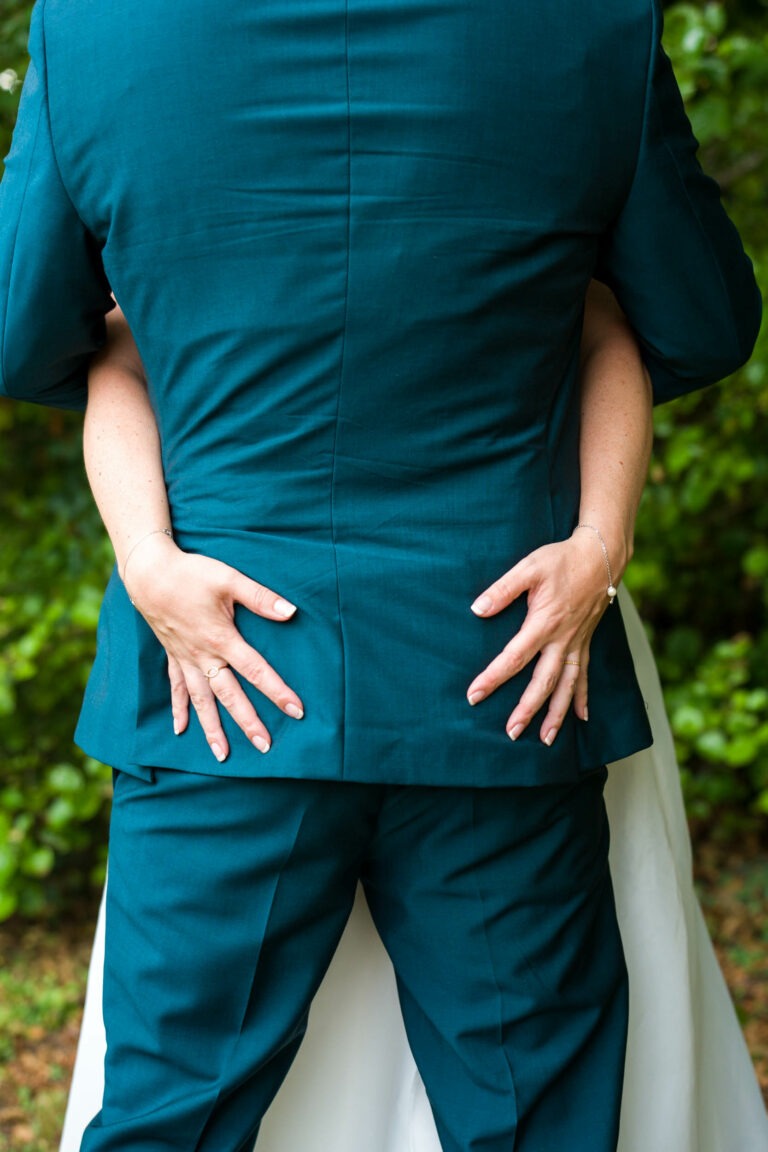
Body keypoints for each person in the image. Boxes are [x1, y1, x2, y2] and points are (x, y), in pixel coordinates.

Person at [0, 1, 761, 1149]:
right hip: (498, 664)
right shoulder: (590, 28)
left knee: (169, 1118)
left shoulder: (94, 31)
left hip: (228, 673)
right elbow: (702, 321)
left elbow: (21, 333)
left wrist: (159, 352)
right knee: (535, 1114)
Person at [56, 306, 768, 1152]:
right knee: (530, 1105)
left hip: (321, 681)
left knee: (174, 1109)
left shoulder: (125, 168)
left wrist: (147, 558)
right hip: (464, 666)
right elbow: (672, 321)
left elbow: (66, 339)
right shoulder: (573, 164)